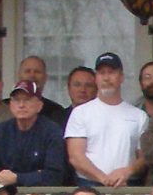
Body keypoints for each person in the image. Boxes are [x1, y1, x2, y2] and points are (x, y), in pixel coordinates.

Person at [61, 53, 143, 187]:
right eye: (101, 73)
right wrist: (104, 179)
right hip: (88, 186)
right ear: (96, 78)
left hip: (127, 188)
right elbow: (76, 156)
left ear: (121, 77)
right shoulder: (80, 113)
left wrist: (127, 172)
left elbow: (144, 157)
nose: (106, 77)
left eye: (111, 72)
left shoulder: (139, 116)